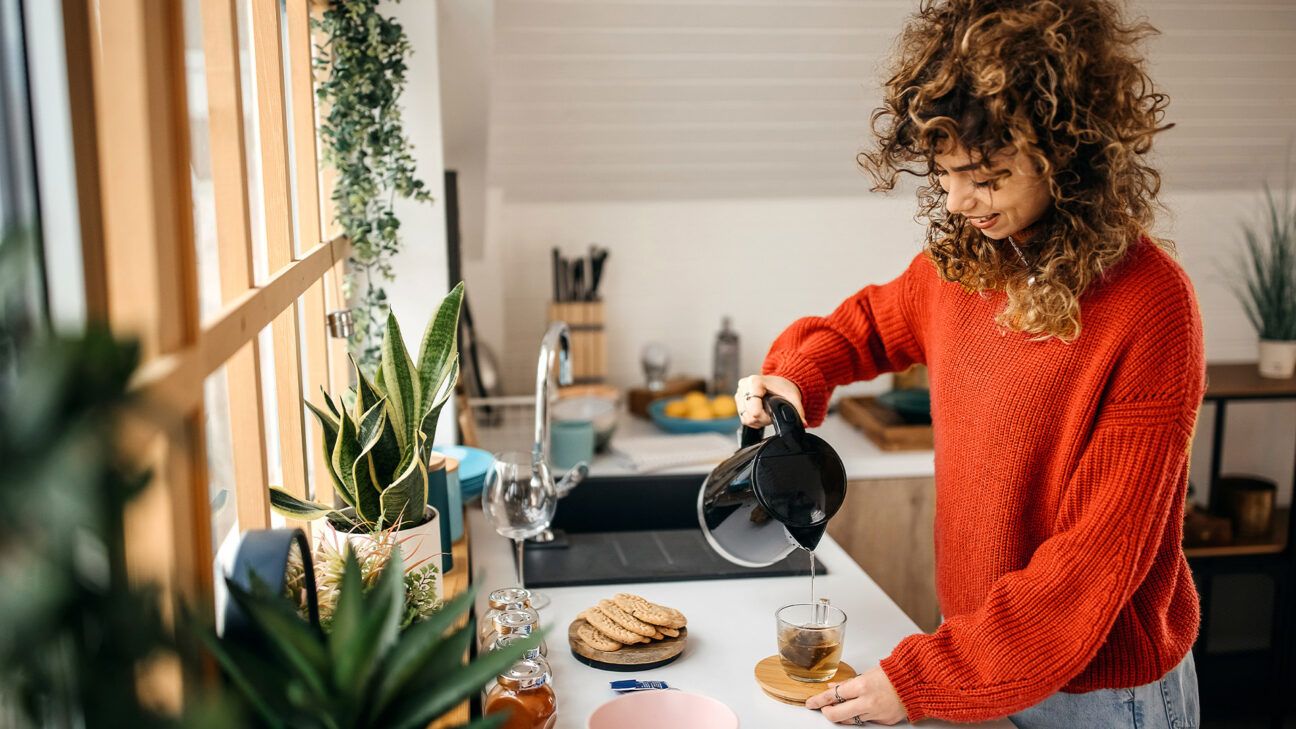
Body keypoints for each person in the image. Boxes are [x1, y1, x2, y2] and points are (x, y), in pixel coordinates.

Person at [736, 1, 1204, 726]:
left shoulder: (1151, 305)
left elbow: (1088, 566)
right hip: (985, 661)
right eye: (945, 172)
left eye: (985, 175)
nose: (957, 201)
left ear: (1067, 154)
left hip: (1103, 694)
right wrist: (797, 374)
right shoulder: (967, 266)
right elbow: (862, 326)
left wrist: (925, 676)